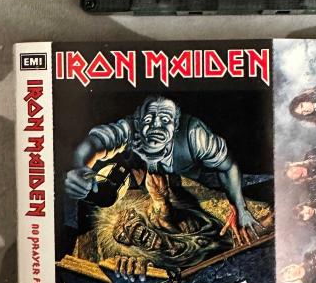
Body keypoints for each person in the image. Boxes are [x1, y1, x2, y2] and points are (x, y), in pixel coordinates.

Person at [64, 95, 260, 243]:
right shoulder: (129, 130)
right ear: (139, 123)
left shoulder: (196, 136)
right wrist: (80, 167)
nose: (156, 126)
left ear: (175, 126)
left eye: (165, 120)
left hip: (202, 179)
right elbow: (97, 141)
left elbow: (227, 167)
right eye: (149, 120)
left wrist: (240, 209)